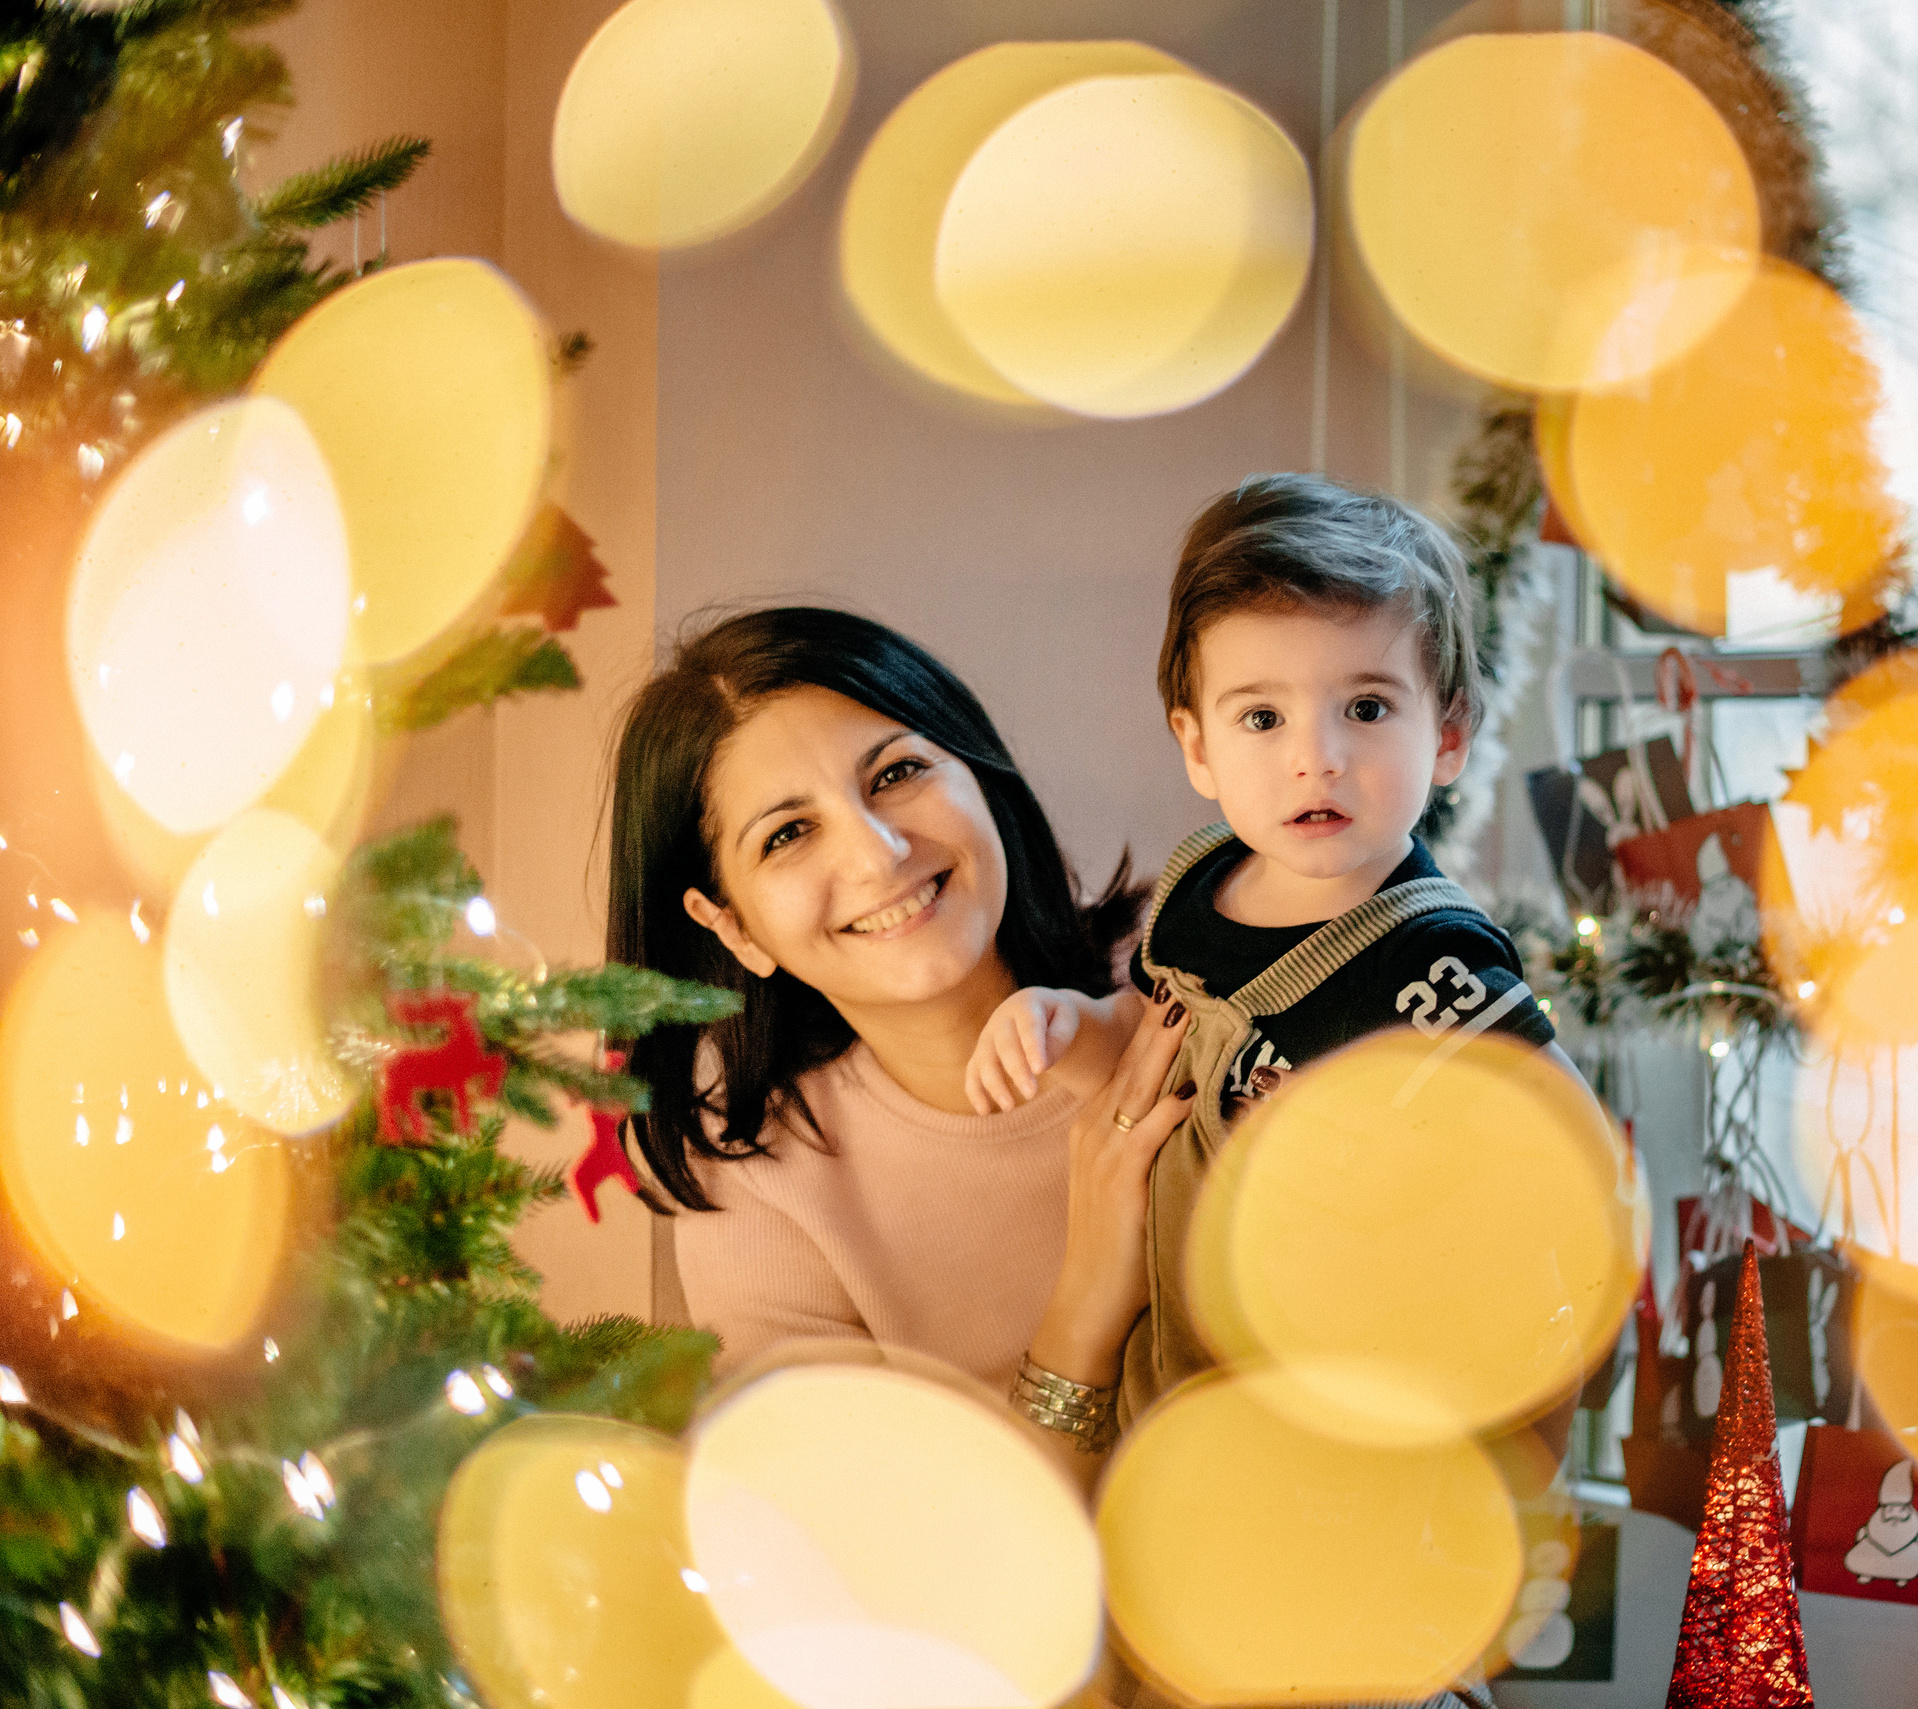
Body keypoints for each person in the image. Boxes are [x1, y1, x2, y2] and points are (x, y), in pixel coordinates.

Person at [962, 473, 1563, 1422]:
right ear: (1196, 746)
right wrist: (1061, 1024)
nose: (1314, 756)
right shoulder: (1200, 884)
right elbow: (1157, 1047)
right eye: (1262, 716)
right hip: (1173, 1381)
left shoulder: (1427, 962)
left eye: (1365, 708)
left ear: (1446, 735)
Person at [605, 606, 1190, 1474]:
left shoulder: (1192, 982)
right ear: (732, 926)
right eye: (788, 833)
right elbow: (918, 1578)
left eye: (898, 771)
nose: (878, 855)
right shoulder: (767, 1195)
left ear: (979, 771)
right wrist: (1089, 1305)